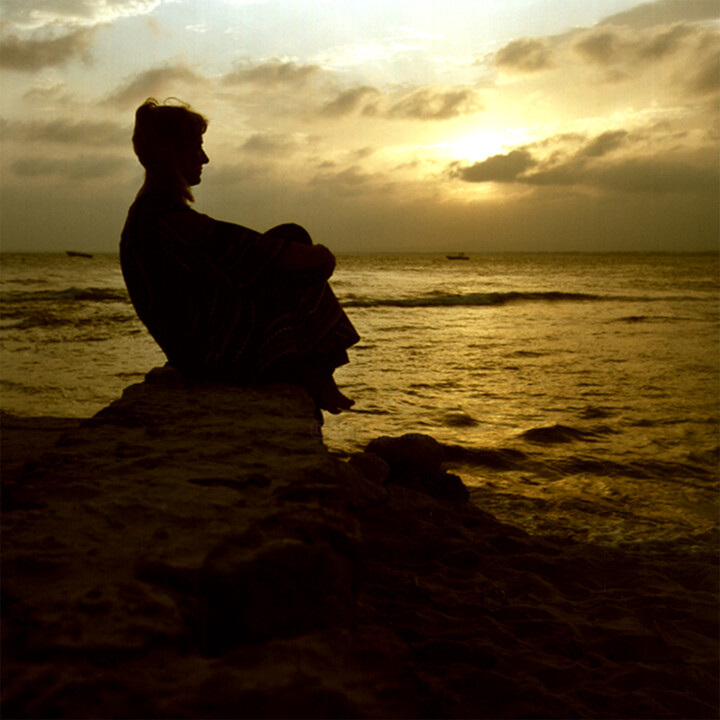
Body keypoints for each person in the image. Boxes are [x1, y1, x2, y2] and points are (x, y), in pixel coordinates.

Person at [120, 98, 359, 414]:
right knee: (290, 245)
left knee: (289, 239)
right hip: (207, 356)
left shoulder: (154, 212)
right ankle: (317, 376)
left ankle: (317, 376)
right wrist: (320, 258)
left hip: (198, 348)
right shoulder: (163, 219)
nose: (205, 158)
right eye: (197, 146)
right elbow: (248, 248)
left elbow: (240, 247)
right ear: (173, 153)